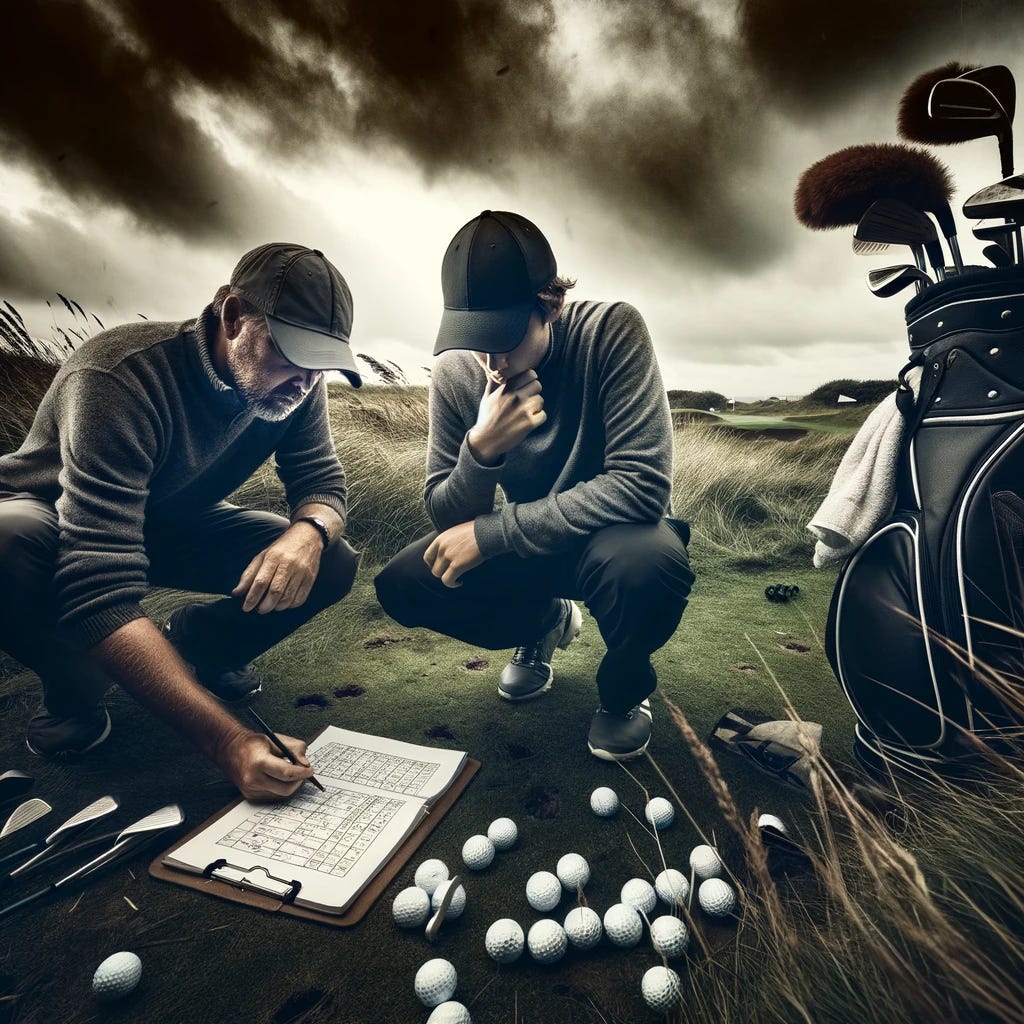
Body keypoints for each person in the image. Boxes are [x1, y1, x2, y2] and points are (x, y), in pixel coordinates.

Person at [0, 243, 362, 801]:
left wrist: (307, 533)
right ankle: (72, 689)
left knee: (331, 560)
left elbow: (322, 484)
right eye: (291, 354)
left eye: (322, 366)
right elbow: (98, 584)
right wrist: (227, 741)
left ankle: (196, 649)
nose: (306, 383)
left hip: (174, 518)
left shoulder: (299, 385)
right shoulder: (117, 377)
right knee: (9, 542)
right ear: (234, 316)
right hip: (57, 521)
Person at [375, 211, 694, 761]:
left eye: (505, 336)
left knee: (648, 566)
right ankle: (544, 622)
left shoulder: (612, 331)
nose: (492, 361)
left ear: (551, 305)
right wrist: (483, 449)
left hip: (614, 541)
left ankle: (623, 693)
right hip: (534, 552)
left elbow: (641, 485)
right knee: (406, 583)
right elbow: (446, 518)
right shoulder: (457, 372)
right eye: (476, 338)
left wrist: (496, 533)